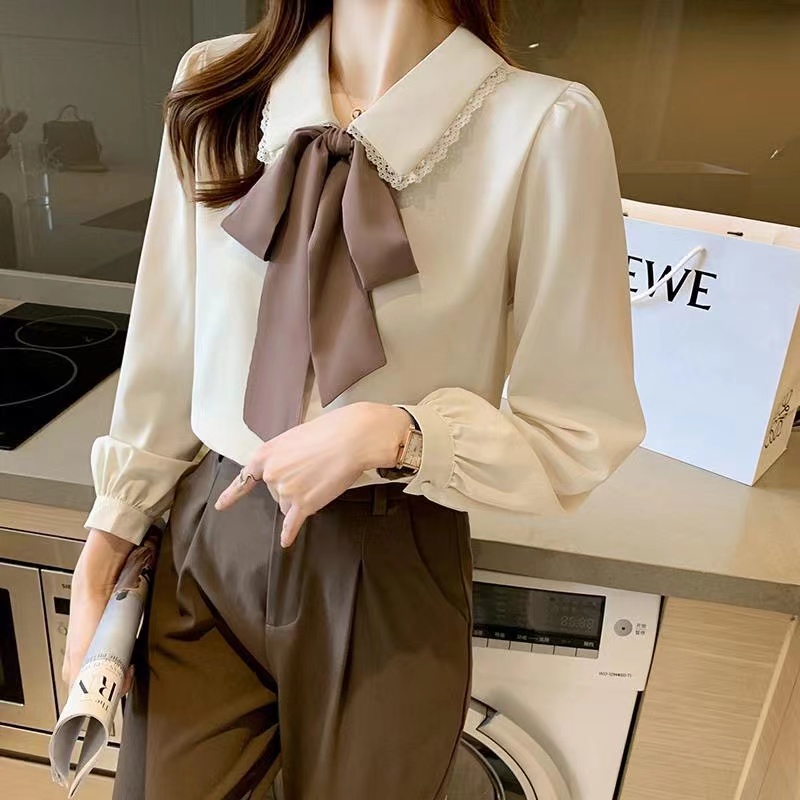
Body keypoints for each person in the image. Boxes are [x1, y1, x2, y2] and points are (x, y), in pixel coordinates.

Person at [64, 0, 646, 797]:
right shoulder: (219, 87)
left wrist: (397, 433)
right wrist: (108, 537)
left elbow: (580, 427)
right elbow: (167, 347)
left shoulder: (545, 128)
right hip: (210, 535)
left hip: (390, 555)